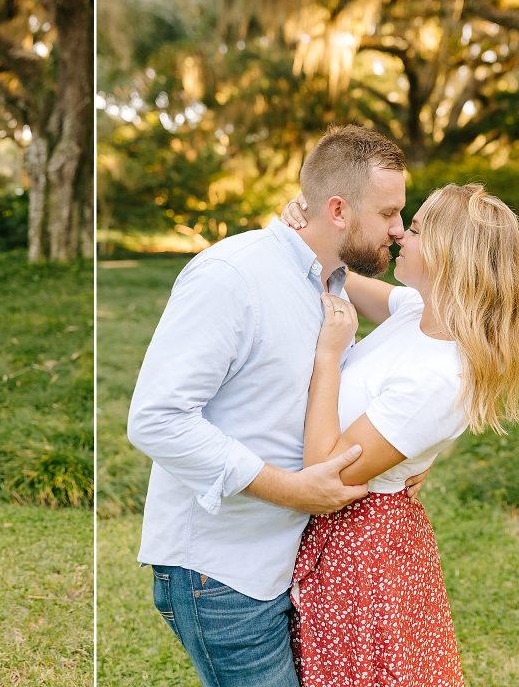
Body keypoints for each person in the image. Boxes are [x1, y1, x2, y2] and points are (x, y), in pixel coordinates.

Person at [128, 124, 431, 686]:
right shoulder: (234, 276)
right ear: (338, 210)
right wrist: (291, 490)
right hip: (222, 573)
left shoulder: (334, 281)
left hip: (287, 563)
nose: (398, 229)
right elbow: (155, 420)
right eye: (389, 213)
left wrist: (406, 459)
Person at [282, 183, 519, 686]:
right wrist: (303, 231)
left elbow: (321, 473)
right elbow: (338, 274)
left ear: (446, 255)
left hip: (361, 549)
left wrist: (328, 357)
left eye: (414, 229)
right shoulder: (419, 313)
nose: (398, 233)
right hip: (360, 537)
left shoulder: (440, 374)